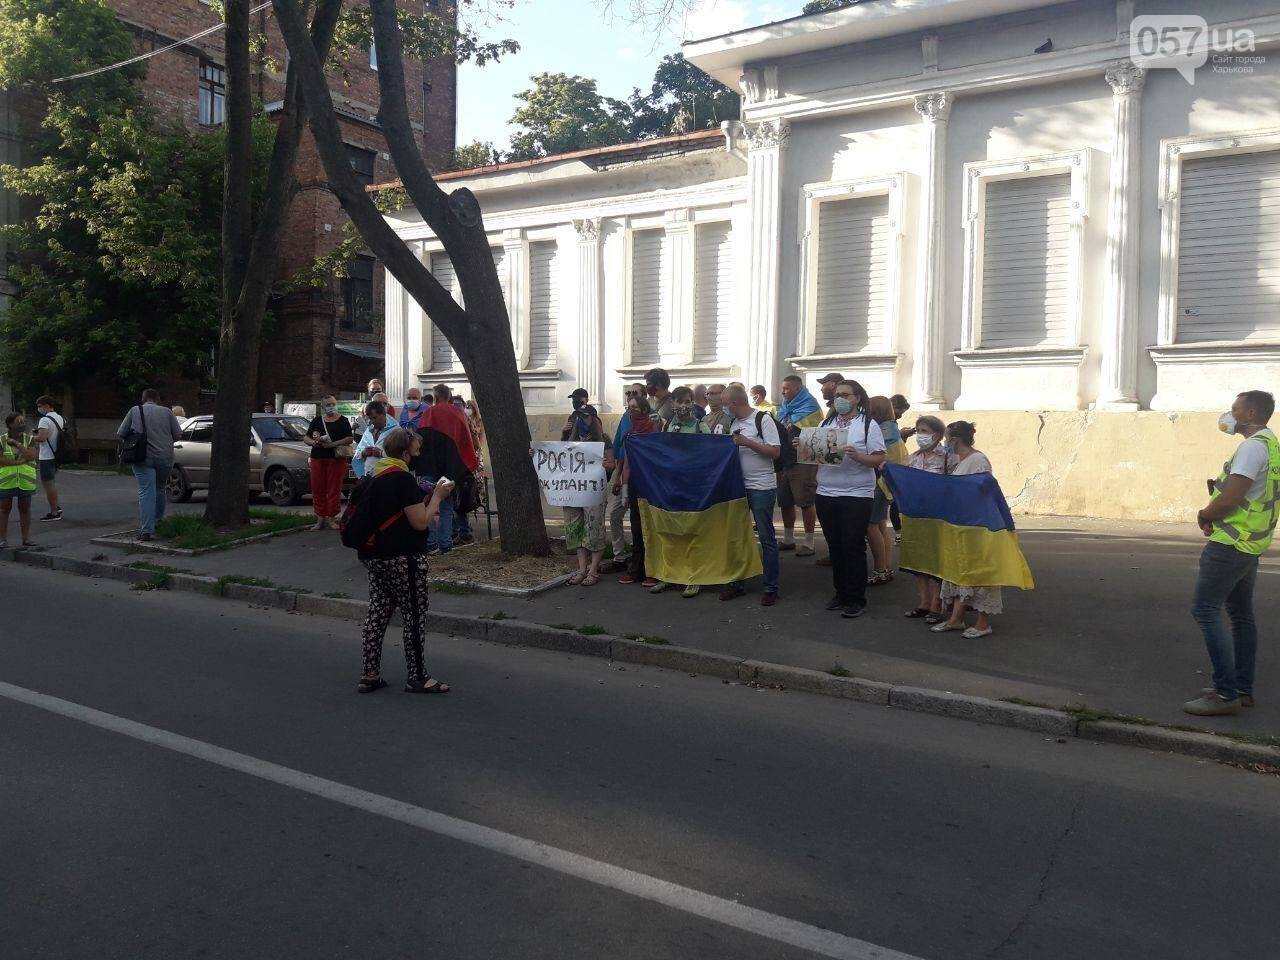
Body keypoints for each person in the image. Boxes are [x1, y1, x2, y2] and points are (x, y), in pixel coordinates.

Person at [1182, 391, 1280, 717]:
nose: (1229, 414)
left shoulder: (1252, 449)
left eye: (1235, 409)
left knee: (1205, 611)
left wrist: (1206, 514)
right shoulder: (1270, 444)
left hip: (1231, 545)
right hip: (1250, 542)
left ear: (1250, 413)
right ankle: (1241, 688)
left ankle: (1225, 695)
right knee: (1240, 615)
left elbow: (1232, 498)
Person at [355, 427, 454, 695]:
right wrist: (437, 497)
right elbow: (420, 522)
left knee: (377, 613)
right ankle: (418, 676)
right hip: (403, 558)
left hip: (374, 557)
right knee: (413, 616)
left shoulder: (375, 475)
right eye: (416, 449)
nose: (418, 454)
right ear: (405, 451)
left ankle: (370, 673)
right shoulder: (401, 479)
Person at [812, 381, 885, 618]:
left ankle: (855, 598)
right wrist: (806, 447)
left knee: (852, 545)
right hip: (826, 492)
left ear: (857, 398)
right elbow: (819, 455)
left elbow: (879, 459)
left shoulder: (867, 425)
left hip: (856, 494)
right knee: (834, 546)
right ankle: (840, 592)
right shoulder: (826, 423)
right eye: (836, 395)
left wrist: (858, 456)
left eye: (844, 395)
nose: (839, 399)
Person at [930, 421, 1000, 639]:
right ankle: (956, 618)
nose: (944, 442)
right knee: (961, 570)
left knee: (979, 572)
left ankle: (982, 622)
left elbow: (981, 492)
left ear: (955, 439)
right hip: (959, 524)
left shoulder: (978, 460)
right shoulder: (959, 461)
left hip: (975, 525)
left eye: (946, 438)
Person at [720, 384, 781, 606]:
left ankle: (771, 587)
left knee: (766, 537)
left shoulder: (763, 420)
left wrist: (747, 442)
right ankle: (738, 583)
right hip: (739, 486)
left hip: (762, 486)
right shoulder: (734, 423)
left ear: (734, 403)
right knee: (737, 535)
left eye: (726, 405)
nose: (724, 409)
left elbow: (775, 451)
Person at [554, 397, 610, 587]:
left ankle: (593, 570)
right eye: (578, 417)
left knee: (593, 530)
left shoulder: (604, 440)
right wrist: (537, 453)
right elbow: (554, 460)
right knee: (575, 529)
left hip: (593, 493)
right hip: (573, 492)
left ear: (593, 419)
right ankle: (581, 568)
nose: (581, 421)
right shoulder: (569, 440)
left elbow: (612, 463)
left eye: (585, 417)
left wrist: (606, 465)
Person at [418, 383, 480, 552]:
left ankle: (430, 543)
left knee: (428, 503)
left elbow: (420, 441)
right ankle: (445, 544)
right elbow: (465, 441)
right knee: (446, 507)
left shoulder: (428, 413)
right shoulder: (457, 413)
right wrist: (468, 465)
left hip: (429, 466)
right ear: (449, 397)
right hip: (450, 468)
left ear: (436, 397)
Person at [116, 389, 184, 542]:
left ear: (143, 398)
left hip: (142, 456)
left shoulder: (135, 411)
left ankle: (147, 530)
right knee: (160, 488)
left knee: (146, 491)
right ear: (157, 399)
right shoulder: (167, 412)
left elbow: (120, 433)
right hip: (165, 457)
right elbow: (178, 434)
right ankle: (159, 521)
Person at [902, 415, 949, 623]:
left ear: (937, 435)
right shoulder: (912, 458)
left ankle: (937, 604)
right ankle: (923, 602)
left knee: (936, 560)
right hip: (915, 514)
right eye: (918, 430)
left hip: (937, 515)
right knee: (918, 560)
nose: (920, 435)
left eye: (924, 431)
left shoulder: (947, 457)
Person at [775, 375, 824, 557]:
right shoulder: (784, 408)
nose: (783, 392)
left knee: (805, 501)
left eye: (786, 388)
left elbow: (819, 436)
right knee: (785, 501)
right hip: (783, 460)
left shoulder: (811, 407)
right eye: (783, 388)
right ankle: (788, 539)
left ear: (797, 388)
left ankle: (809, 543)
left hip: (803, 461)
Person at [615, 394, 659, 586]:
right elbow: (627, 464)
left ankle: (653, 571)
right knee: (636, 528)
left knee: (651, 528)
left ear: (644, 409)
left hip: (651, 484)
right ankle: (636, 569)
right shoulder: (630, 435)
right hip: (634, 485)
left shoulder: (653, 430)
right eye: (628, 407)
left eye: (635, 407)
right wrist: (624, 490)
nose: (631, 411)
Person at [866, 396, 907, 585]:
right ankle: (887, 566)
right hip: (887, 484)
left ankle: (879, 569)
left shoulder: (882, 432)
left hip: (878, 483)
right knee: (881, 526)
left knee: (871, 527)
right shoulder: (892, 429)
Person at [304, 395, 354, 530]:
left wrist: (332, 444)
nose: (331, 407)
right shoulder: (316, 421)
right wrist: (314, 442)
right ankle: (320, 518)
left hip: (336, 459)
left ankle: (332, 518)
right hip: (317, 458)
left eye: (333, 404)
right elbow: (306, 438)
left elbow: (349, 438)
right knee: (317, 488)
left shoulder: (343, 420)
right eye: (328, 405)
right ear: (322, 407)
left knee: (334, 488)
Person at [0, 412, 38, 549]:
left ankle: (26, 539)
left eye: (23, 422)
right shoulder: (1, 440)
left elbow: (31, 456)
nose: (22, 424)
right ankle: (3, 540)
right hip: (6, 480)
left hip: (25, 480)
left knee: (25, 509)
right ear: (10, 425)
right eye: (19, 422)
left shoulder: (29, 439)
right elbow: (0, 460)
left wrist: (17, 444)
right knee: (4, 509)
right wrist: (18, 463)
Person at [33, 396, 65, 522]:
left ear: (47, 405)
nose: (39, 409)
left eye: (40, 406)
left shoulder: (44, 420)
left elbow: (42, 438)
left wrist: (31, 436)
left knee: (48, 484)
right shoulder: (60, 418)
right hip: (57, 454)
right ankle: (56, 506)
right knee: (51, 483)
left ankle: (54, 512)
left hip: (47, 456)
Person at [352, 400, 400, 480]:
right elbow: (358, 451)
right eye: (370, 418)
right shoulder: (369, 430)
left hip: (388, 475)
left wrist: (381, 453)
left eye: (374, 417)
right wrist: (363, 453)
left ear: (383, 414)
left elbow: (400, 456)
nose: (372, 421)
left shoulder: (396, 430)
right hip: (368, 476)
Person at [888, 394, 912, 533]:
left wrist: (903, 435)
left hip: (895, 467)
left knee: (895, 501)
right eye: (900, 412)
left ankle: (898, 532)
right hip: (887, 467)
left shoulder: (892, 424)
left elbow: (897, 446)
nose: (900, 416)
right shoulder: (884, 424)